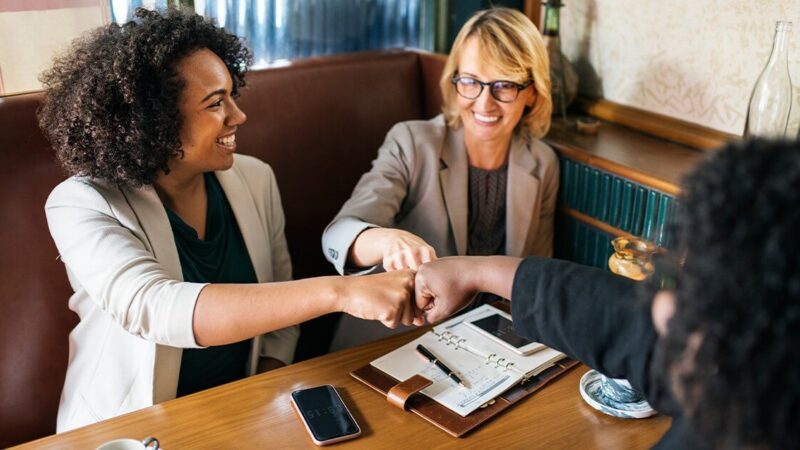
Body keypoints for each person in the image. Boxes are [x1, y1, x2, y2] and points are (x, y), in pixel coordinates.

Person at [39, 9, 419, 432]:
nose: (238, 116)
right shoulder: (81, 203)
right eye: (216, 103)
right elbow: (155, 307)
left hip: (241, 414)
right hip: (128, 428)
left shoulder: (255, 179)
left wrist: (260, 397)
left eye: (233, 96)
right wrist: (342, 291)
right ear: (153, 120)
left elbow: (281, 314)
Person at [414, 139, 800, 449]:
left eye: (694, 293)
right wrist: (473, 271)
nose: (663, 308)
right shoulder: (742, 381)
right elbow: (620, 320)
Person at [322, 7, 556, 275]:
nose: (484, 103)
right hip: (403, 316)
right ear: (454, 78)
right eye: (470, 81)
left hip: (496, 317)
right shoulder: (411, 143)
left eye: (504, 85)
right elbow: (338, 236)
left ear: (534, 93)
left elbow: (537, 275)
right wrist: (386, 241)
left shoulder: (543, 162)